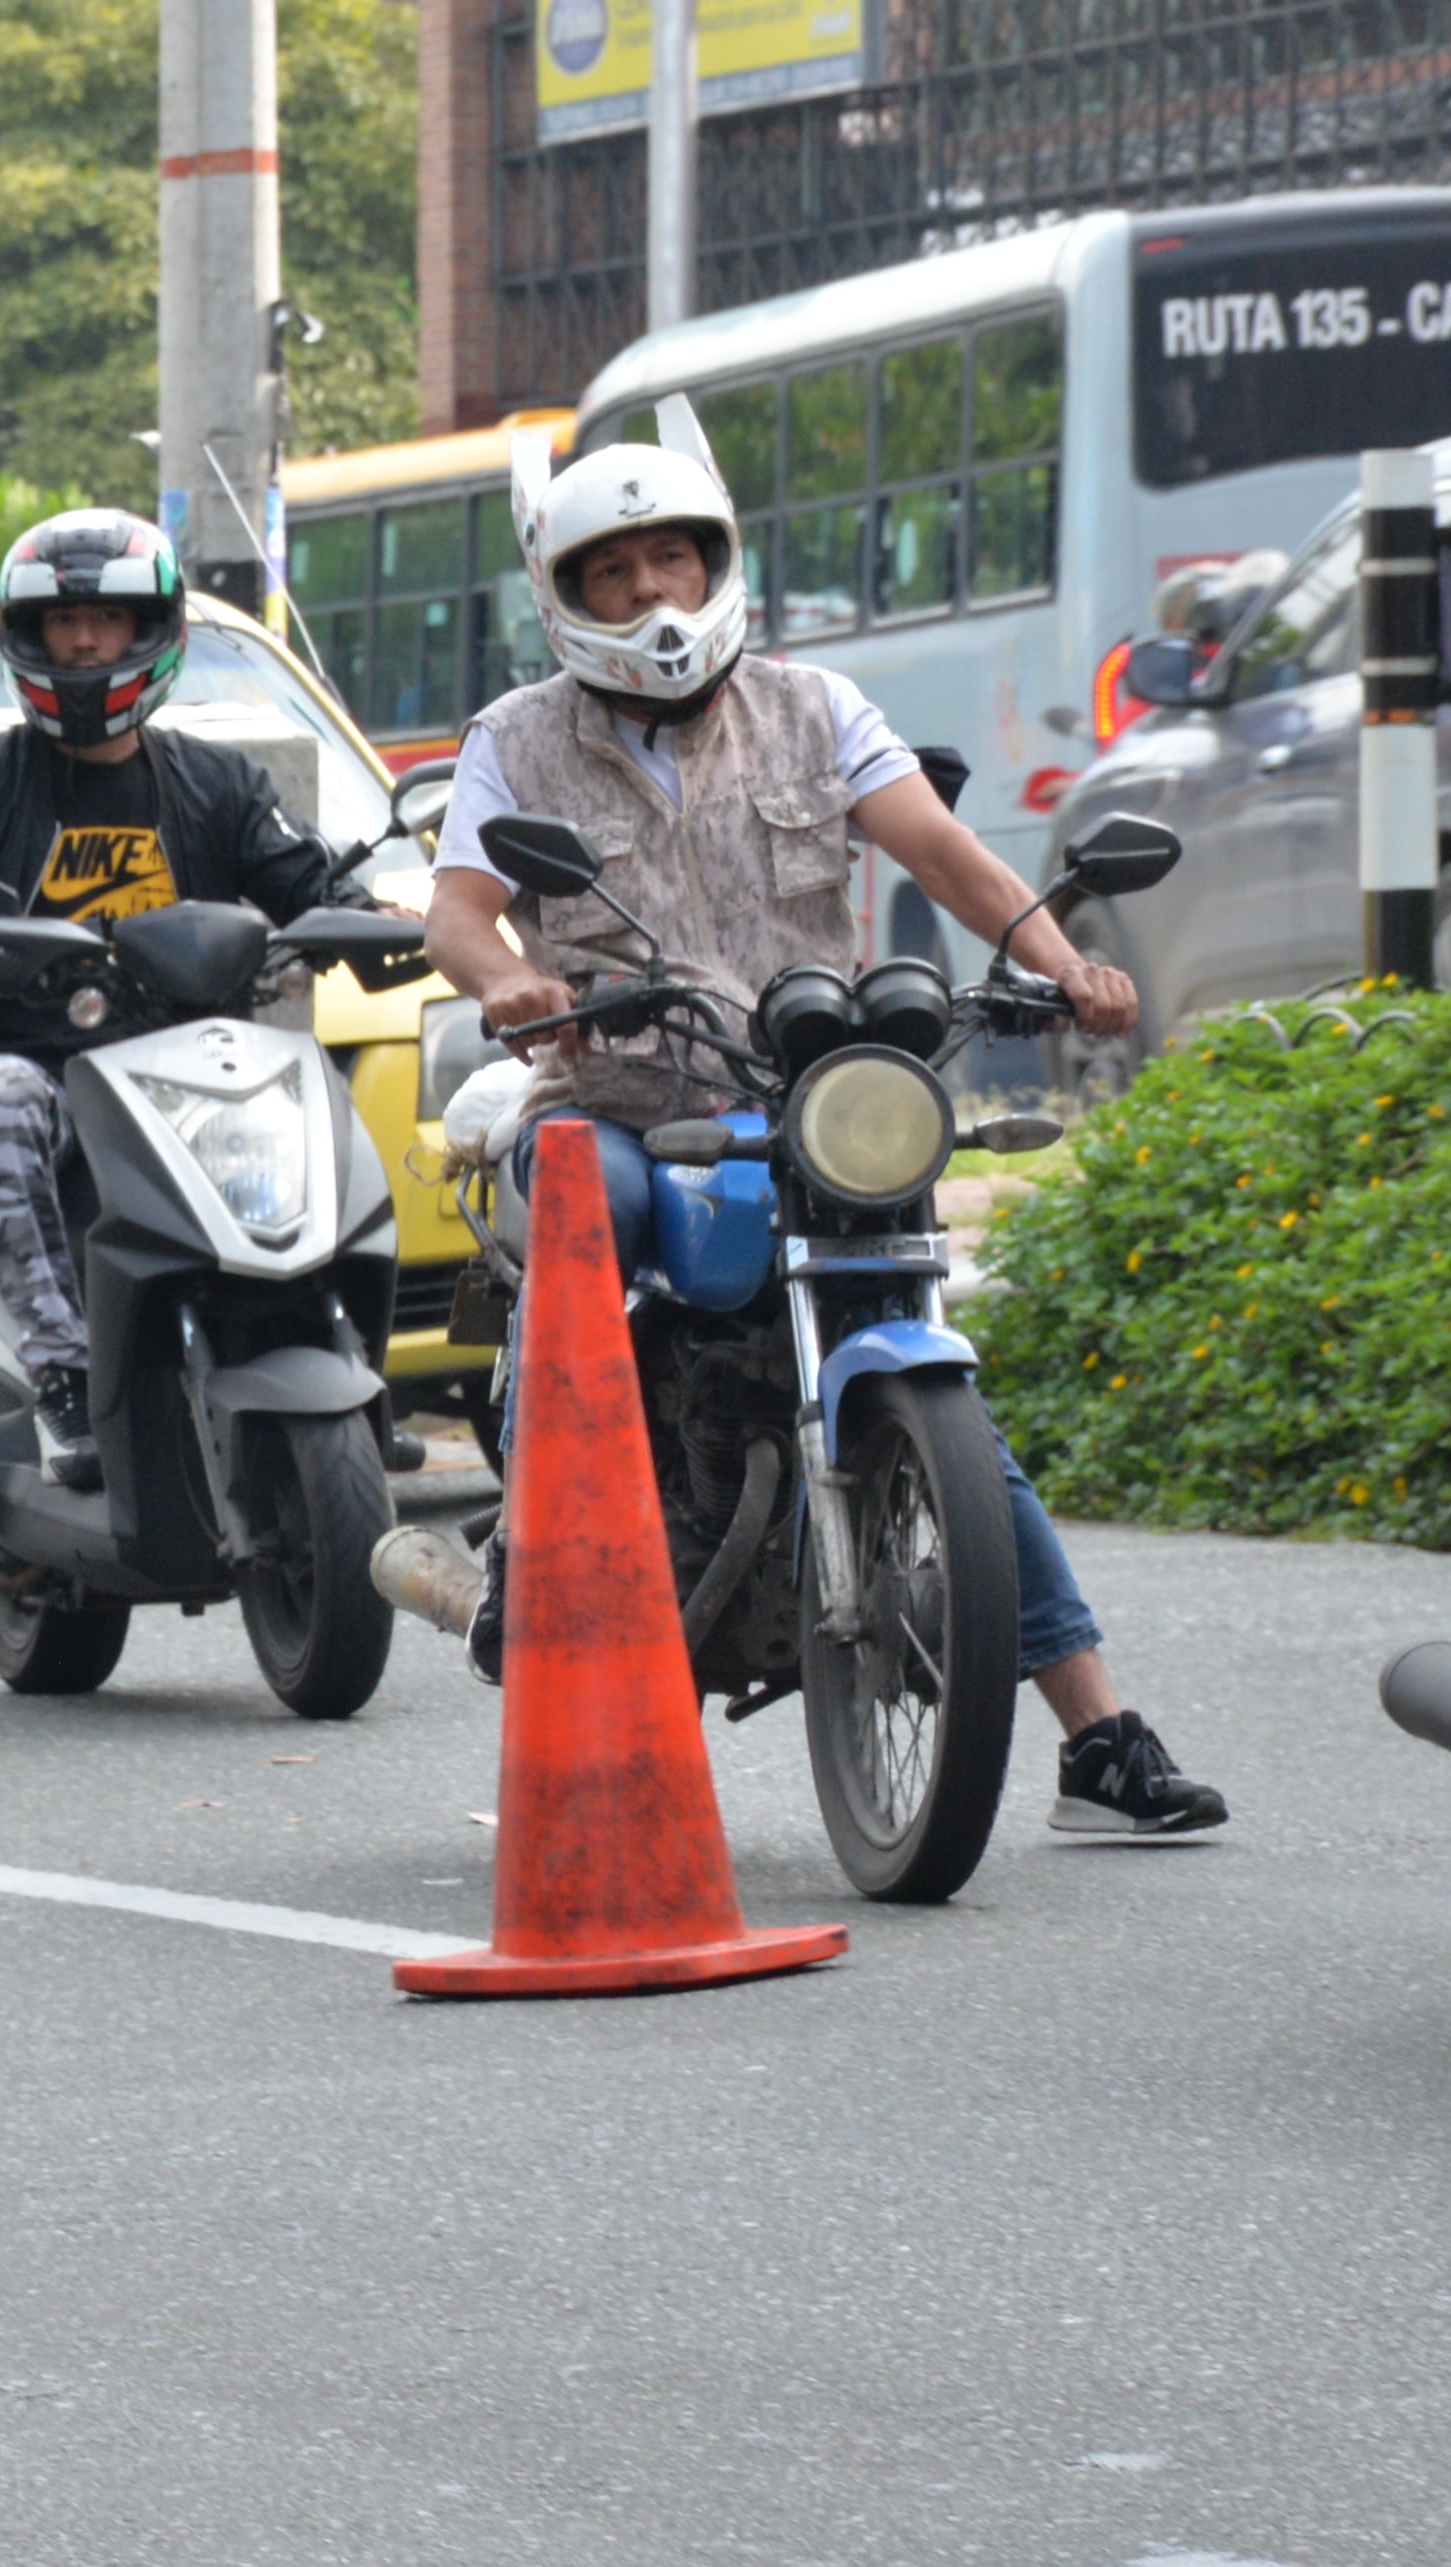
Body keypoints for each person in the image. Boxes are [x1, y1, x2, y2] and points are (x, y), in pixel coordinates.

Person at [421, 400, 1228, 1839]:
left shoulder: (816, 708)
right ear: (567, 593)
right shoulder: (515, 739)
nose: (652, 593)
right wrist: (512, 984)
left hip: (811, 1101)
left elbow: (949, 855)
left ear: (717, 560)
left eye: (673, 558)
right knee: (588, 1219)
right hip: (618, 1101)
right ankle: (525, 1563)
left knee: (922, 1364)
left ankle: (1098, 1738)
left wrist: (1066, 966)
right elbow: (460, 914)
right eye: (614, 571)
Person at [0, 506, 365, 1489]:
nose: (86, 642)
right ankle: (63, 1379)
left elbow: (301, 874)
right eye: (64, 622)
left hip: (188, 1072)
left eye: (107, 619)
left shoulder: (219, 783)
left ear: (153, 631)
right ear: (31, 636)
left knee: (311, 1093)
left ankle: (333, 1347)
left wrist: (362, 912)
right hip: (40, 1067)